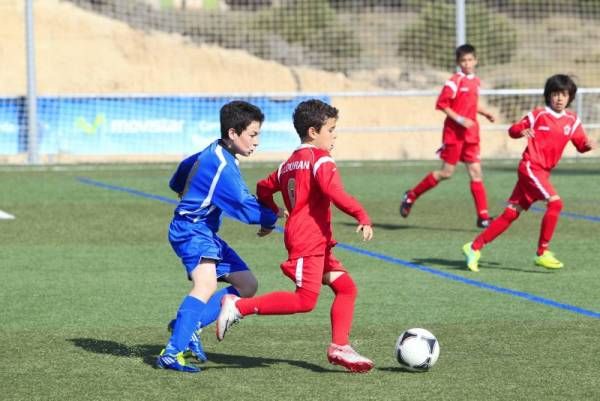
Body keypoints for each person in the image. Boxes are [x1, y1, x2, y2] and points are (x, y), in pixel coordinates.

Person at [215, 99, 375, 373]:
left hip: (316, 241)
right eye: (331, 129)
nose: (334, 135)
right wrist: (361, 214)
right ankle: (240, 306)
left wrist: (273, 213)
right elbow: (334, 192)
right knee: (304, 300)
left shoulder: (289, 163)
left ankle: (339, 346)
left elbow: (264, 187)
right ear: (313, 132)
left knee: (346, 288)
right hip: (308, 240)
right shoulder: (320, 159)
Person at [156, 100, 280, 372]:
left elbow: (181, 173)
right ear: (233, 133)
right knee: (206, 285)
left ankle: (186, 327)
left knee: (247, 285)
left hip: (204, 231)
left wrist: (183, 189)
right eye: (253, 134)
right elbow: (244, 206)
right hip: (191, 230)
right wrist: (274, 216)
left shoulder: (214, 151)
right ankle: (171, 352)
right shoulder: (223, 165)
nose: (257, 142)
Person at [462, 74, 595, 272]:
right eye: (555, 94)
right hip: (531, 168)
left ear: (570, 97)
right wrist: (520, 131)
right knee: (555, 202)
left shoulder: (572, 121)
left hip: (543, 173)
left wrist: (588, 145)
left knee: (510, 214)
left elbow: (581, 145)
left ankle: (474, 247)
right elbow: (513, 130)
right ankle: (542, 252)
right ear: (548, 96)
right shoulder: (538, 115)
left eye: (564, 94)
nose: (559, 98)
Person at [400, 44, 496, 228]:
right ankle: (411, 195)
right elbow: (442, 104)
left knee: (476, 172)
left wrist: (484, 113)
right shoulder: (454, 81)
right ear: (458, 63)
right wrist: (460, 120)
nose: (467, 63)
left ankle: (483, 217)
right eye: (463, 61)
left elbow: (470, 104)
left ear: (476, 61)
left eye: (470, 60)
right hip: (454, 134)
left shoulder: (475, 81)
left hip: (471, 134)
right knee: (446, 173)